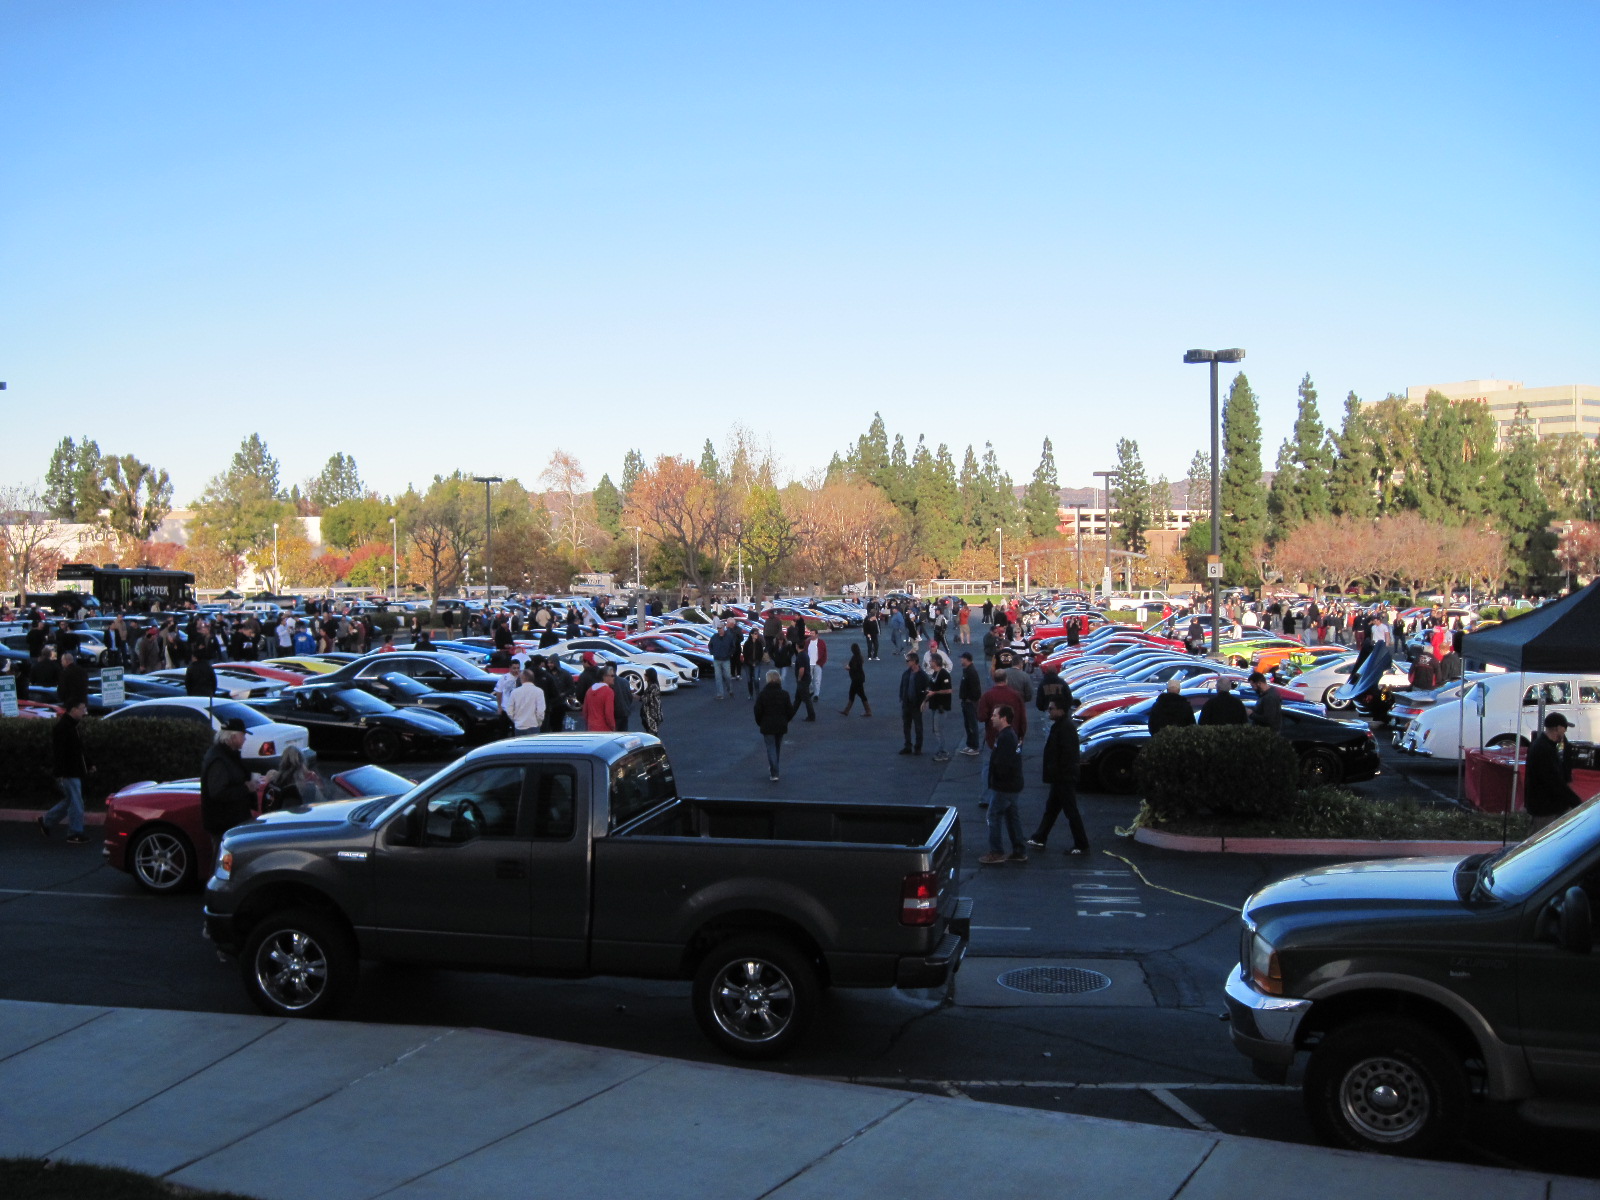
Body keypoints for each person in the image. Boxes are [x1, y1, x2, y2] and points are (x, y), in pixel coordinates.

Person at [1029, 697, 1087, 855]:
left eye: (1051, 709)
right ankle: (1040, 837)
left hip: (1064, 777)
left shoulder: (1065, 728)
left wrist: (1058, 772)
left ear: (1061, 710)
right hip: (1060, 777)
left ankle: (1081, 844)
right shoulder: (1060, 726)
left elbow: (1067, 755)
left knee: (1070, 810)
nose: (1049, 711)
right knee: (1052, 808)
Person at [978, 706, 1028, 865]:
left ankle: (996, 851)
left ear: (1003, 718)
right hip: (1012, 784)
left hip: (1004, 786)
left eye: (994, 715)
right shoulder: (1009, 735)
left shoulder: (1006, 738)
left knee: (994, 816)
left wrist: (996, 781)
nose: (991, 718)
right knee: (1012, 817)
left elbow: (1002, 764)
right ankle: (1019, 850)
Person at [38, 701, 93, 844]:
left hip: (72, 770)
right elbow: (61, 753)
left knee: (71, 800)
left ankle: (47, 821)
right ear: (73, 709)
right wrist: (61, 772)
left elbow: (78, 750)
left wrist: (88, 764)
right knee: (76, 802)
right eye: (82, 709)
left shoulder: (71, 726)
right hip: (69, 772)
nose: (84, 712)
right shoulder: (64, 728)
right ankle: (75, 832)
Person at [1526, 712, 1582, 831]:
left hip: (1553, 806)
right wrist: (1575, 801)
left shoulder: (1548, 746)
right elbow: (1552, 780)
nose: (1565, 732)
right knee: (1542, 841)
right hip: (1544, 809)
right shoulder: (1542, 749)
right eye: (1564, 728)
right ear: (1557, 728)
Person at [200, 718, 256, 837]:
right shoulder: (219, 760)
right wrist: (245, 788)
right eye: (243, 735)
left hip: (231, 821)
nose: (245, 739)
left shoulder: (227, 755)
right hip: (224, 824)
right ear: (233, 737)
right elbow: (217, 792)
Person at [753, 669, 793, 781]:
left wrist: (760, 722)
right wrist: (786, 720)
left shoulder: (762, 695)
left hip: (767, 725)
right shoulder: (784, 694)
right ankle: (774, 768)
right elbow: (790, 711)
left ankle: (774, 771)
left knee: (770, 747)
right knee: (777, 747)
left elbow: (757, 710)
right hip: (781, 724)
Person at [898, 651, 930, 755]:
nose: (907, 662)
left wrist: (924, 702)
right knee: (906, 726)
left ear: (914, 661)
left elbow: (927, 689)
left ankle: (918, 747)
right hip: (907, 704)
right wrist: (902, 698)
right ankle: (908, 746)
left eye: (908, 661)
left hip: (916, 705)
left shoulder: (922, 676)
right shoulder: (906, 673)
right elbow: (902, 686)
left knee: (918, 727)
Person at [925, 651, 953, 762]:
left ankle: (943, 751)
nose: (929, 662)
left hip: (941, 706)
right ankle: (941, 750)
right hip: (934, 705)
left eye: (931, 661)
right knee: (936, 729)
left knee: (938, 730)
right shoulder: (934, 674)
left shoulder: (944, 674)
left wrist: (934, 693)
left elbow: (948, 690)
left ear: (936, 662)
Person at [505, 667, 547, 735]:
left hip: (519, 726)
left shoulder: (514, 692)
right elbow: (540, 711)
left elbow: (509, 710)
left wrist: (516, 720)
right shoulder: (539, 691)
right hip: (533, 725)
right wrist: (539, 722)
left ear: (522, 679)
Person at [958, 651, 983, 756]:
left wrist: (971, 699)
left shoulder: (971, 672)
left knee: (972, 724)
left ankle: (975, 746)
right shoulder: (967, 671)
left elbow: (976, 690)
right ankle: (970, 744)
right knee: (968, 724)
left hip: (970, 703)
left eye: (962, 658)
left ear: (966, 659)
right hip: (966, 702)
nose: (960, 660)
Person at [708, 619, 738, 700]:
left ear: (724, 628)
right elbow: (710, 645)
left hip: (726, 659)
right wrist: (712, 652)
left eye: (720, 628)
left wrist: (729, 654)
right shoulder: (714, 637)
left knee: (728, 676)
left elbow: (733, 647)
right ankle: (720, 694)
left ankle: (729, 689)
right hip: (717, 659)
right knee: (718, 677)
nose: (719, 630)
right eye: (718, 628)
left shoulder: (729, 637)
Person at [839, 643, 871, 716]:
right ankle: (846, 710)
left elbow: (854, 668)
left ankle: (868, 711)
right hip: (859, 678)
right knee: (854, 693)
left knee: (859, 694)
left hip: (856, 679)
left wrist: (848, 668)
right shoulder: (859, 657)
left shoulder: (855, 658)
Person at [583, 667, 618, 732]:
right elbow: (609, 713)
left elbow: (585, 711)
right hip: (604, 729)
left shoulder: (589, 690)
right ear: (604, 677)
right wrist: (613, 727)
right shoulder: (608, 691)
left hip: (591, 727)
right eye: (612, 676)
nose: (614, 678)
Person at [792, 653, 817, 722]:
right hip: (805, 679)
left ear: (797, 646)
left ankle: (811, 716)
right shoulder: (805, 655)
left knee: (806, 699)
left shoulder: (800, 656)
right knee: (798, 698)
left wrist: (799, 678)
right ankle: (790, 714)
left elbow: (802, 669)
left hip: (803, 681)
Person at [639, 668, 663, 735]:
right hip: (651, 714)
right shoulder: (651, 685)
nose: (644, 676)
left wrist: (637, 697)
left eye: (645, 674)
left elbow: (646, 699)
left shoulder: (653, 687)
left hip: (652, 715)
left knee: (652, 733)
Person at [743, 628, 765, 698]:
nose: (757, 635)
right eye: (755, 634)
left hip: (757, 662)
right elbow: (745, 654)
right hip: (748, 663)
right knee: (749, 679)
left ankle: (757, 693)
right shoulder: (747, 644)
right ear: (751, 634)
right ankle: (750, 693)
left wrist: (757, 661)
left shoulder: (759, 644)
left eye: (757, 634)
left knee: (756, 679)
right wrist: (750, 662)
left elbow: (761, 654)